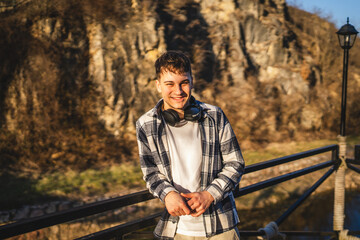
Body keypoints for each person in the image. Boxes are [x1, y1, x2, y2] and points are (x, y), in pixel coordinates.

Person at [136, 51, 245, 240]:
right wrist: (168, 194)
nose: (178, 91)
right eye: (170, 84)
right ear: (158, 85)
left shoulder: (215, 116)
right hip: (176, 229)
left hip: (221, 226)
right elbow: (150, 172)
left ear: (192, 82)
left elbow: (235, 163)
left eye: (184, 83)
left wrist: (210, 195)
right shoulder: (145, 124)